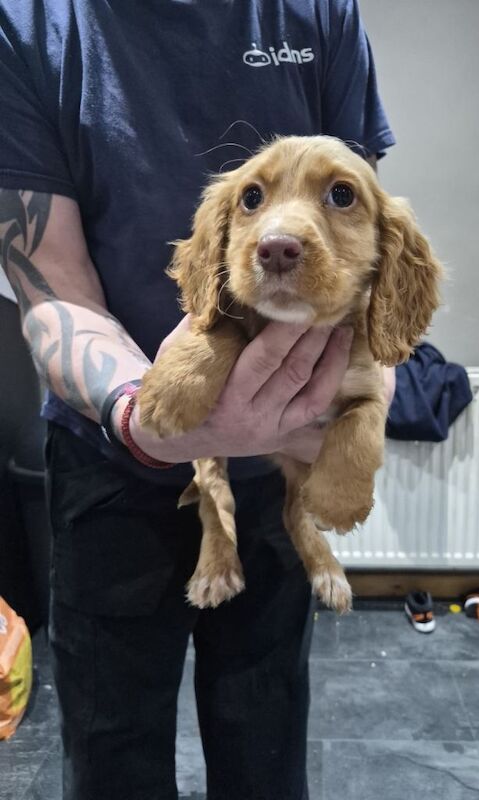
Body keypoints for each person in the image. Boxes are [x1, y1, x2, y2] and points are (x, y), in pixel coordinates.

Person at [0, 2, 396, 798]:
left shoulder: (316, 12)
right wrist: (145, 421)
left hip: (275, 471)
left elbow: (357, 224)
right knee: (112, 759)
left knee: (266, 750)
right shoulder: (28, 24)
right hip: (107, 457)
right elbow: (50, 285)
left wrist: (364, 393)